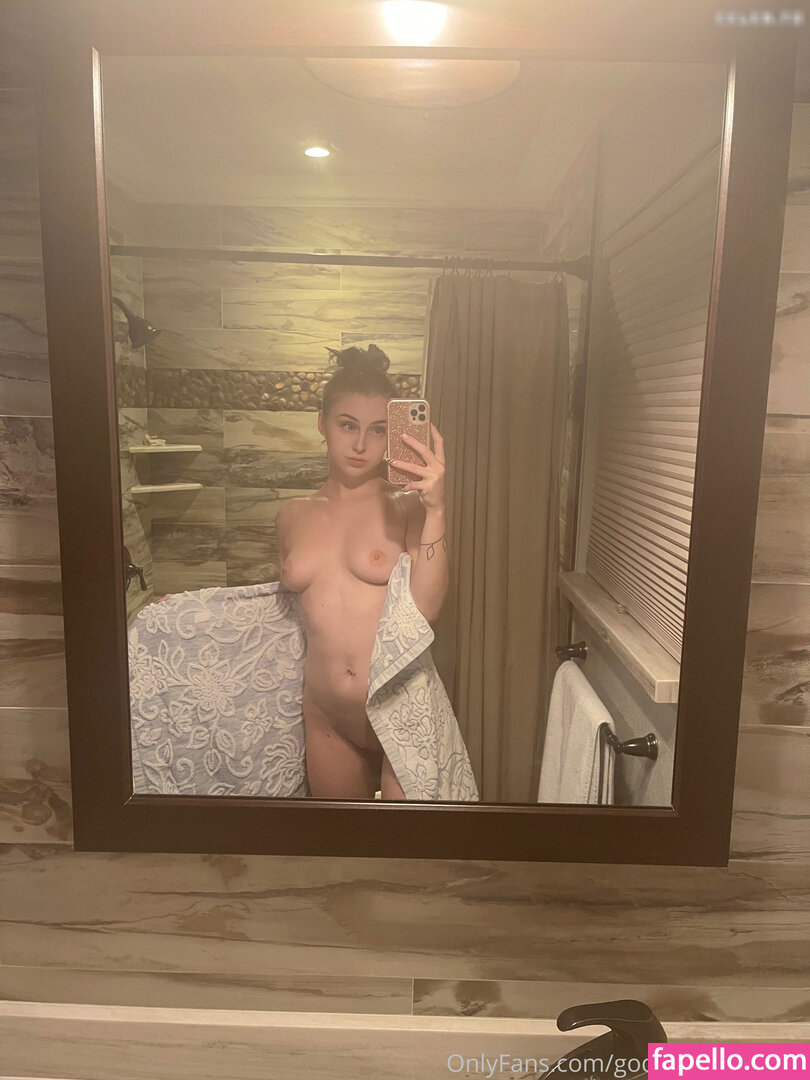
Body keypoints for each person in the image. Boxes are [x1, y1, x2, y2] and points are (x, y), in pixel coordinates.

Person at [275, 344, 449, 800]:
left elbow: (427, 610)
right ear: (322, 423)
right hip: (326, 718)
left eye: (377, 430)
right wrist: (187, 616)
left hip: (401, 707)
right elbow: (283, 613)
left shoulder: (408, 508)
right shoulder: (292, 515)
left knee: (407, 843)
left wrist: (436, 510)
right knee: (341, 840)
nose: (359, 445)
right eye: (347, 425)